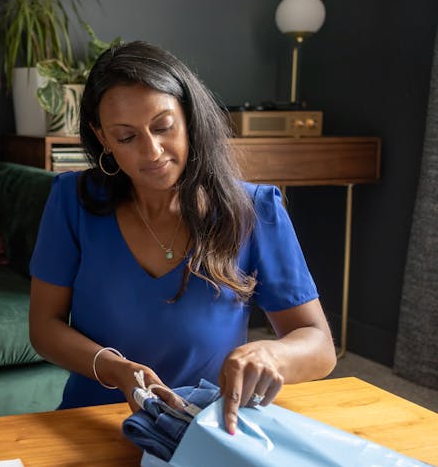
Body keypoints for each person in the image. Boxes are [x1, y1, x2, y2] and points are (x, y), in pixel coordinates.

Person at [28, 41, 336, 435]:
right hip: (92, 423)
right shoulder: (71, 201)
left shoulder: (254, 209)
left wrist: (271, 353)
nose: (152, 151)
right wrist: (116, 369)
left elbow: (319, 346)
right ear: (102, 138)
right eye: (126, 137)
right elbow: (44, 326)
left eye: (163, 127)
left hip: (205, 429)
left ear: (188, 117)